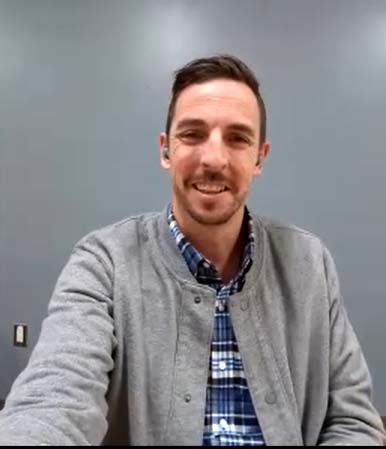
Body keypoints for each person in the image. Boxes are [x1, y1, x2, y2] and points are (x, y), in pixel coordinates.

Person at [0, 55, 384, 446]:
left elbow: (353, 422)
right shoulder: (104, 262)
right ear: (166, 150)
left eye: (237, 138)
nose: (214, 159)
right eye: (193, 134)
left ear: (259, 158)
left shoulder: (309, 263)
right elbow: (53, 399)